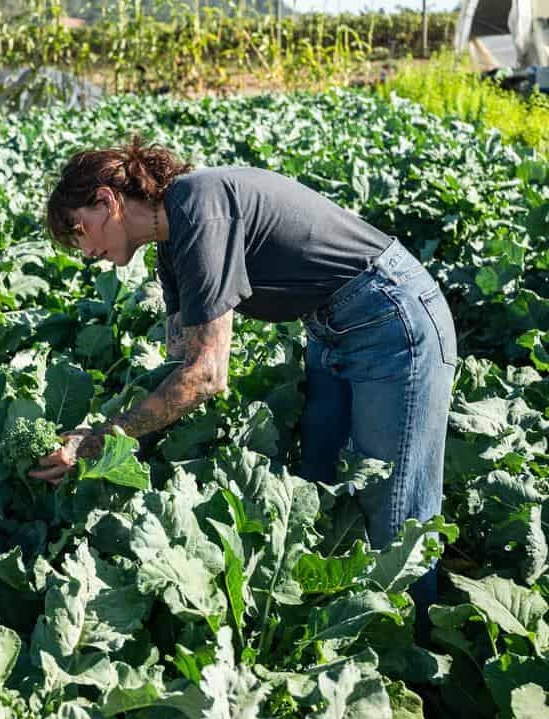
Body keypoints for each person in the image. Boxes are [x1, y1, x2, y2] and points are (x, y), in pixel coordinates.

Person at [32, 136, 457, 628]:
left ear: (108, 201)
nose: (85, 252)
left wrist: (99, 441)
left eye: (80, 230)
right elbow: (180, 362)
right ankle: (355, 632)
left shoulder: (197, 206)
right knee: (316, 488)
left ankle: (418, 645)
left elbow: (206, 376)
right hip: (331, 329)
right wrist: (106, 433)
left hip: (392, 319)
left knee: (396, 510)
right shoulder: (170, 248)